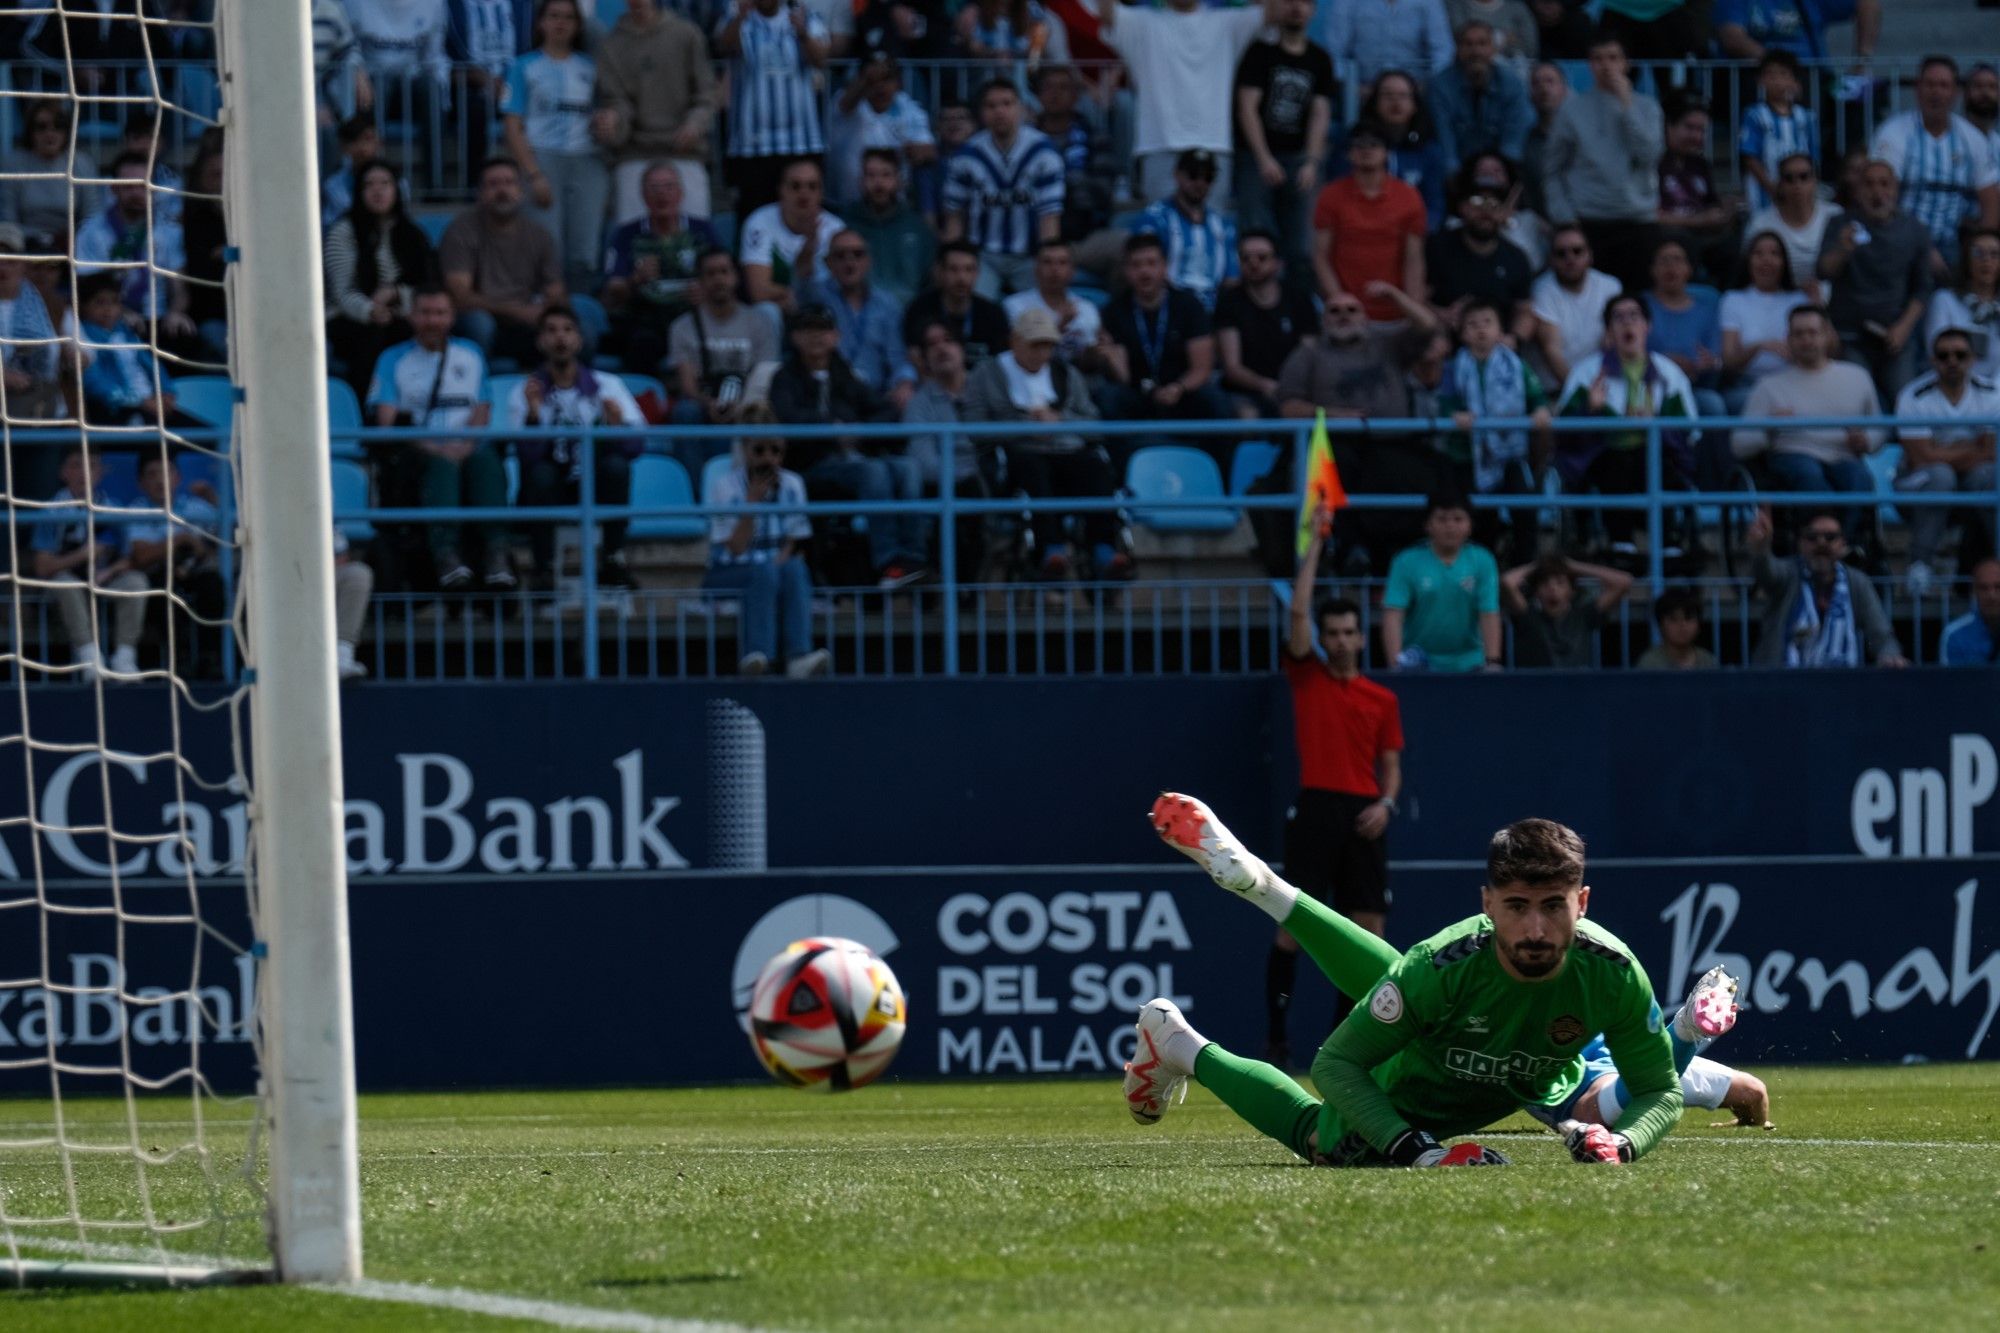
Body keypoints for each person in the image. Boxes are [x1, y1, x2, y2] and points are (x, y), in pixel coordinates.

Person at [1129, 795, 1686, 1169]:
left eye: (1553, 907)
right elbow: (1334, 1065)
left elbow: (1662, 1089)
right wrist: (1416, 1151)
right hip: (1403, 1088)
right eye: (1516, 906)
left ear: (1582, 903)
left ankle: (1269, 889)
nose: (1536, 928)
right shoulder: (1444, 962)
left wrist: (1622, 1142)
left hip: (1483, 1060)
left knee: (1406, 985)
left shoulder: (1614, 974)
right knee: (1322, 1143)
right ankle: (1180, 1043)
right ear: (1488, 904)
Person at [1271, 516, 1404, 1063]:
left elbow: (1391, 763)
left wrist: (1386, 804)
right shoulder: (1309, 677)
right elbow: (1298, 612)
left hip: (1364, 813)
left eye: (1351, 631)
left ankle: (1340, 1046)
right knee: (1294, 927)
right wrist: (1316, 549)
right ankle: (1276, 1037)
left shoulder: (1381, 698)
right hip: (1318, 806)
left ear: (1361, 635)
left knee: (1365, 930)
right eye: (1335, 634)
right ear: (1323, 640)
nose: (1344, 640)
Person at [768, 303, 928, 588]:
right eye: (809, 329)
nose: (817, 336)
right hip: (812, 465)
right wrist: (830, 428)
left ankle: (912, 559)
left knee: (908, 468)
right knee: (874, 473)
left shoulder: (845, 374)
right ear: (795, 337)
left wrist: (859, 431)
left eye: (824, 329)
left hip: (856, 458)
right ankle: (888, 563)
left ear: (835, 336)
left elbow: (885, 411)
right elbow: (787, 417)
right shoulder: (784, 377)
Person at [962, 306, 1126, 581]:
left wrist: (1060, 420)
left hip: (1067, 451)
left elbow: (1094, 424)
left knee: (1096, 467)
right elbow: (974, 426)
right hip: (1019, 455)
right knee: (1032, 468)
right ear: (1014, 341)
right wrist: (1025, 427)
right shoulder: (987, 374)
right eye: (1034, 345)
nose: (1042, 353)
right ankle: (1051, 548)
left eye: (1047, 345)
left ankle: (1104, 549)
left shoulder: (1066, 374)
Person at [366, 285, 510, 591]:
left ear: (452, 317)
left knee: (486, 460)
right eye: (426, 313)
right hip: (417, 450)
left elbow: (482, 408)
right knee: (441, 467)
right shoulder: (393, 359)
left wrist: (465, 445)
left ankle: (497, 554)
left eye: (441, 313)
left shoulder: (471, 354)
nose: (433, 321)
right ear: (412, 316)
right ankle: (446, 556)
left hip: (466, 445)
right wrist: (434, 447)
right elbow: (387, 422)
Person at [1555, 294, 1701, 562]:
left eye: (1634, 316)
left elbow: (1690, 431)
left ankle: (1669, 544)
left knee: (1658, 464)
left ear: (1648, 326)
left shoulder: (1669, 374)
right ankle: (1621, 544)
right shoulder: (1586, 373)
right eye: (1618, 318)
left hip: (1655, 455)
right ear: (1609, 330)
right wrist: (1591, 409)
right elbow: (1564, 430)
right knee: (1616, 464)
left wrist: (1656, 425)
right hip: (1605, 457)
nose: (1627, 324)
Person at [506, 305, 644, 587]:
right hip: (551, 487)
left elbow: (635, 449)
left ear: (579, 340)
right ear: (540, 341)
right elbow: (527, 460)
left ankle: (613, 559)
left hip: (595, 485)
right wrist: (533, 416)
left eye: (567, 330)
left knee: (616, 466)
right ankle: (543, 567)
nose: (560, 338)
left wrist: (615, 426)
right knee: (541, 474)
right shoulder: (524, 391)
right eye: (551, 330)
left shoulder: (609, 386)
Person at [1733, 305, 1884, 550]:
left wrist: (1866, 441)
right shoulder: (1768, 386)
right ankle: (1824, 546)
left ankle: (1845, 546)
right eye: (1799, 334)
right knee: (1809, 477)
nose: (1806, 340)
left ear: (1827, 336)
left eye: (1813, 333)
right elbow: (1740, 444)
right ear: (1789, 339)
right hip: (1793, 457)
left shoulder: (1857, 377)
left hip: (1844, 456)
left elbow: (1879, 428)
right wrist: (1769, 428)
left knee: (1858, 478)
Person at [1097, 0, 1275, 206]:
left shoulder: (1228, 23)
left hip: (1213, 147)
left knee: (1211, 233)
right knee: (1162, 233)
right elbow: (1108, 15)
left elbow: (1271, 12)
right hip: (1159, 148)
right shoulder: (1142, 23)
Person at [701, 403, 832, 678]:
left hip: (773, 567)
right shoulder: (725, 486)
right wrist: (751, 505)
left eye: (776, 451)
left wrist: (776, 565)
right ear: (746, 449)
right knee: (764, 572)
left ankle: (798, 657)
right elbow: (734, 548)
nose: (768, 459)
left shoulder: (793, 484)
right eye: (759, 450)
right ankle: (757, 655)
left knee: (795, 568)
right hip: (728, 572)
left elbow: (792, 543)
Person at [500, 0, 610, 293]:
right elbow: (512, 125)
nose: (561, 23)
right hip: (543, 159)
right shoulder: (523, 66)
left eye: (568, 18)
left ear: (577, 25)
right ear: (541, 23)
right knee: (547, 247)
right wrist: (533, 174)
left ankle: (581, 313)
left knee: (584, 250)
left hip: (587, 161)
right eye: (554, 16)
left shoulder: (591, 68)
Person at [1541, 32, 1662, 293]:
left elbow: (1650, 155)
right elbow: (1552, 170)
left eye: (1613, 58)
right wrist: (1564, 217)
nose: (1606, 66)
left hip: (1638, 220)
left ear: (1626, 63)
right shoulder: (1571, 110)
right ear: (1589, 64)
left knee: (1637, 299)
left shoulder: (1648, 107)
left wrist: (1627, 107)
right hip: (1589, 221)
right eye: (1598, 59)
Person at [1437, 297, 1552, 560]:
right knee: (1478, 516)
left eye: (1487, 322)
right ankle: (1484, 566)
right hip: (1467, 454)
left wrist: (1540, 410)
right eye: (1472, 324)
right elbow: (1446, 405)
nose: (1480, 329)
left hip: (1511, 453)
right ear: (1463, 333)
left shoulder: (1516, 365)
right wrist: (1457, 416)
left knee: (1525, 508)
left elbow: (1536, 397)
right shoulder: (1454, 368)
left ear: (1500, 330)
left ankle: (1525, 567)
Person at [1818, 159, 1935, 407]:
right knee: (1856, 404)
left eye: (1884, 184)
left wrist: (1903, 328)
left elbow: (1923, 288)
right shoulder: (1839, 224)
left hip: (1894, 340)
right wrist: (1843, 249)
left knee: (1907, 405)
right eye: (1869, 184)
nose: (1877, 192)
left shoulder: (1915, 230)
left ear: (1896, 189)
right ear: (1858, 190)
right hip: (1849, 338)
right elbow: (1823, 272)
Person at [1893, 328, 2000, 595]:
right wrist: (1969, 449)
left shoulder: (1992, 393)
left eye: (1960, 354)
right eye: (1943, 355)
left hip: (1972, 481)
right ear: (1933, 360)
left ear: (1972, 358)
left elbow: (1991, 452)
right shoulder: (1912, 396)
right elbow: (1920, 458)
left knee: (1989, 475)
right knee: (1941, 476)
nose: (1952, 360)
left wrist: (1940, 450)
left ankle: (1995, 569)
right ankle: (1920, 567)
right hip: (1917, 484)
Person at [1233, 0, 1336, 277]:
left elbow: (1320, 113)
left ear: (1313, 11)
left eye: (1304, 3)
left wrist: (1312, 162)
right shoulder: (1259, 53)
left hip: (1299, 157)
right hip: (1256, 158)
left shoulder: (1320, 58)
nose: (1296, 8)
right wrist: (1264, 158)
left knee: (1302, 243)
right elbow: (1247, 108)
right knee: (1256, 236)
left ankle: (1298, 303)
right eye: (1290, 1)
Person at [1093, 234, 1230, 440]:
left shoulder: (1188, 305)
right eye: (1136, 265)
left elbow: (1202, 367)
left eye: (1151, 263)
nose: (1144, 271)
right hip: (1137, 394)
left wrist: (1179, 388)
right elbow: (1122, 377)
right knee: (1108, 397)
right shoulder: (1114, 311)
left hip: (1182, 392)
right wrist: (1111, 360)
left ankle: (1220, 470)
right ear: (1126, 271)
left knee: (1215, 401)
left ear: (1165, 266)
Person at [592, 0, 718, 222]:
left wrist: (695, 124)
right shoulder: (612, 44)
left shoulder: (686, 34)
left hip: (685, 152)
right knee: (634, 240)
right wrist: (612, 121)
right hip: (635, 154)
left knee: (695, 240)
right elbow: (616, 101)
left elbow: (707, 94)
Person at [1870, 56, 2000, 272]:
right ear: (1917, 89)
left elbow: (1990, 201)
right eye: (1929, 84)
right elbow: (1881, 194)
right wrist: (1922, 246)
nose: (1936, 92)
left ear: (1955, 93)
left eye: (1944, 85)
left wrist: (1978, 246)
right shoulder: (1894, 132)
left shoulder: (1972, 139)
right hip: (1901, 237)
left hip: (1954, 243)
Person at [439, 156, 569, 368]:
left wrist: (549, 311)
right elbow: (460, 297)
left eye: (509, 183)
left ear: (521, 191)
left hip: (527, 321)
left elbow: (555, 290)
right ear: (480, 194)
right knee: (480, 324)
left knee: (574, 327)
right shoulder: (461, 231)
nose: (502, 190)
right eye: (493, 184)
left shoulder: (539, 235)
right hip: (481, 318)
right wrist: (518, 311)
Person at [941, 79, 1065, 299]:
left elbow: (1049, 217)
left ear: (1020, 109)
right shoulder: (966, 156)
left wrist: (1047, 264)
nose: (1000, 111)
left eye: (1007, 104)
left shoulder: (1043, 153)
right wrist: (952, 261)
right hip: (982, 255)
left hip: (1029, 255)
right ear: (981, 113)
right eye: (991, 105)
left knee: (1040, 313)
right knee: (972, 303)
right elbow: (955, 217)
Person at [325, 160, 441, 394]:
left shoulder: (414, 235)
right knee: (373, 336)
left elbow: (427, 287)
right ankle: (367, 412)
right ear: (359, 192)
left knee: (417, 331)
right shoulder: (343, 232)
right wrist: (371, 310)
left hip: (402, 314)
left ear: (397, 190)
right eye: (369, 185)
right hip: (349, 317)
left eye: (385, 184)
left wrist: (396, 293)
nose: (378, 191)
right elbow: (343, 293)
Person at [33, 445, 146, 683]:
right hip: (66, 584)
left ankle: (124, 657)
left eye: (91, 465)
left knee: (137, 581)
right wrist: (82, 555)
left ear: (100, 472)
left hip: (104, 578)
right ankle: (89, 657)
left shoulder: (113, 508)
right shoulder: (51, 511)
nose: (84, 472)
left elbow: (131, 558)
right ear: (63, 472)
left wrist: (108, 572)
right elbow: (42, 567)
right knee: (66, 584)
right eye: (76, 465)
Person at [1745, 505, 1906, 667]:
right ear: (1800, 543)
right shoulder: (1788, 574)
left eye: (1830, 537)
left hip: (1840, 685)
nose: (1821, 543)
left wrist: (1889, 655)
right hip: (1780, 683)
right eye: (1812, 537)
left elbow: (1881, 634)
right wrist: (1761, 551)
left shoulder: (1857, 582)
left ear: (1843, 543)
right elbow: (1767, 573)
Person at [667, 248, 780, 477]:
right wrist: (709, 404)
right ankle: (697, 499)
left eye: (724, 272)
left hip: (749, 402)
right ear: (700, 281)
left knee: (768, 411)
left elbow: (765, 376)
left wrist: (742, 406)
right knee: (684, 411)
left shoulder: (761, 323)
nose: (718, 279)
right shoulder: (682, 327)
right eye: (710, 274)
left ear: (736, 277)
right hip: (704, 404)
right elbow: (688, 387)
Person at [600, 161, 718, 377]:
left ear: (681, 193)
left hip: (693, 314)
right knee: (641, 341)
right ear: (643, 196)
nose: (662, 194)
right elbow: (611, 293)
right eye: (654, 188)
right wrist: (635, 279)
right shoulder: (626, 234)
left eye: (668, 187)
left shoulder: (702, 231)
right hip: (645, 318)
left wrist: (707, 291)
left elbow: (726, 275)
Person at [714, 0, 830, 219]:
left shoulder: (807, 18)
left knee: (804, 218)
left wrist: (803, 33)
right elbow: (724, 47)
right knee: (753, 216)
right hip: (752, 147)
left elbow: (821, 59)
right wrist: (740, 18)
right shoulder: (736, 19)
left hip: (801, 144)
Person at [74, 151, 193, 351]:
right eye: (128, 187)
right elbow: (88, 288)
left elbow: (180, 289)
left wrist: (176, 312)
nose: (137, 193)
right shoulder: (92, 232)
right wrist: (120, 312)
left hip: (159, 318)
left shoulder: (168, 232)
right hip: (111, 317)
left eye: (143, 186)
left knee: (184, 336)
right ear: (114, 189)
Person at [1312, 123, 1427, 324]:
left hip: (1395, 312)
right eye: (1359, 145)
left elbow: (1414, 258)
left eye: (1374, 144)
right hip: (1347, 315)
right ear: (1349, 153)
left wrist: (1412, 306)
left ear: (1387, 152)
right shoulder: (1331, 195)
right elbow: (1320, 255)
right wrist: (1341, 305)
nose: (1366, 150)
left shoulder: (1409, 197)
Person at [124, 454, 226, 678]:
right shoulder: (135, 511)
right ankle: (180, 661)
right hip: (158, 577)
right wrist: (180, 540)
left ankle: (211, 658)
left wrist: (214, 500)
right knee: (162, 588)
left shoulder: (195, 506)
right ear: (141, 483)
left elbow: (226, 538)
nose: (161, 480)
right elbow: (141, 556)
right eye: (152, 474)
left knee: (212, 583)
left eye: (166, 473)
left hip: (193, 571)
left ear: (178, 478)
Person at [1382, 490, 1501, 672]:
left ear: (1470, 525)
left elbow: (1489, 612)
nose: (1450, 526)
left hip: (1471, 663)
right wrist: (1395, 664)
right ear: (1428, 525)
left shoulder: (1483, 560)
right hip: (1418, 663)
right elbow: (1393, 615)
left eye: (1458, 519)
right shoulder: (1406, 561)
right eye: (1442, 519)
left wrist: (1492, 661)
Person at [1214, 229, 1319, 418]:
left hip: (1293, 390)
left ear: (1278, 263)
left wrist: (1289, 389)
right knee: (1247, 417)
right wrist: (1266, 386)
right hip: (1244, 392)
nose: (1253, 264)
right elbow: (1232, 367)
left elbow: (1309, 353)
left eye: (1262, 257)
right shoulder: (1229, 302)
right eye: (1246, 258)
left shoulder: (1299, 299)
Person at [1429, 155, 1537, 336]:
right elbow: (1417, 299)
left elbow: (1524, 312)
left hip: (1497, 349)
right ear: (1462, 207)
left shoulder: (1516, 258)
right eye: (1477, 201)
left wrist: (1513, 340)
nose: (1486, 210)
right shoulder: (1437, 247)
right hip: (1445, 343)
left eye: (1494, 203)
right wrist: (1442, 316)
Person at [0, 222, 65, 502]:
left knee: (38, 498)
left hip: (41, 415)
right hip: (2, 420)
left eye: (11, 260)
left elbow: (81, 347)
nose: (3, 267)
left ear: (23, 265)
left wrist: (76, 354)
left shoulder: (48, 302)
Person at [70, 273, 183, 429]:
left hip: (151, 402)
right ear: (82, 306)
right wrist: (140, 402)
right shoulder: (83, 337)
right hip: (118, 409)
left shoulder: (126, 333)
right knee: (158, 434)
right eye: (100, 303)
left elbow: (152, 365)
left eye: (114, 302)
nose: (108, 309)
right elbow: (96, 385)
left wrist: (166, 391)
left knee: (197, 430)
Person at [807, 229, 908, 402]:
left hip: (876, 398)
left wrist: (904, 383)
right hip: (829, 396)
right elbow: (799, 287)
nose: (850, 261)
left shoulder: (888, 304)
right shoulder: (815, 296)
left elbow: (899, 358)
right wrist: (804, 258)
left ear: (869, 261)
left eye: (858, 254)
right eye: (840, 255)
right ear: (828, 262)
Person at [1132, 150, 1238, 312]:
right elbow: (1145, 269)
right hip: (1169, 310)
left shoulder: (1223, 225)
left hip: (1214, 311)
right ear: (1177, 175)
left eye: (1208, 177)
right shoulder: (1155, 218)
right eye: (1193, 175)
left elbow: (1232, 279)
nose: (1200, 183)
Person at [827, 52, 937, 208]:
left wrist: (916, 151)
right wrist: (866, 79)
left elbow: (929, 150)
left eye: (886, 79)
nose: (880, 86)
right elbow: (846, 104)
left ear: (898, 83)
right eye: (873, 81)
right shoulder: (845, 103)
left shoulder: (910, 109)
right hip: (846, 205)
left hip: (893, 206)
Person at [1426, 19, 1532, 177]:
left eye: (1482, 44)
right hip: (1457, 170)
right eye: (1468, 44)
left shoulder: (1512, 84)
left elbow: (1514, 141)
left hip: (1501, 169)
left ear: (1493, 49)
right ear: (1457, 49)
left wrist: (1501, 172)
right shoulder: (1439, 86)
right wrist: (1455, 175)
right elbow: (1444, 138)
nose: (1475, 51)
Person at [740, 157, 844, 315]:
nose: (804, 193)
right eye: (796, 186)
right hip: (781, 308)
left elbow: (841, 288)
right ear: (781, 190)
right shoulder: (759, 222)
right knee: (767, 311)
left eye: (812, 186)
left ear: (821, 192)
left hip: (824, 310)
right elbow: (759, 291)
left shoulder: (836, 228)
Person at [1348, 70, 1450, 230]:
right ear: (1375, 102)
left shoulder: (1429, 151)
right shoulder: (1356, 146)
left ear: (1415, 104)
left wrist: (1414, 233)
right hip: (1365, 232)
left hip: (1414, 235)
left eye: (1403, 96)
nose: (1395, 102)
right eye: (1388, 95)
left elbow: (1435, 208)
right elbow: (1344, 196)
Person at [1720, 230, 1806, 409]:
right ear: (1748, 261)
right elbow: (1729, 361)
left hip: (1794, 381)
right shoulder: (1733, 300)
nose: (1766, 260)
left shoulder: (1799, 300)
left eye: (1774, 254)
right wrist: (1759, 347)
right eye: (1758, 254)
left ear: (1784, 262)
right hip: (1748, 384)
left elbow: (1827, 350)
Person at [1033, 63, 1119, 244]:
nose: (1055, 93)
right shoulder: (1026, 140)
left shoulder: (1096, 138)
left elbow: (1103, 190)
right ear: (1038, 95)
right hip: (1033, 233)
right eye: (1048, 87)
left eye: (1063, 87)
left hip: (1085, 233)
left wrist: (1061, 190)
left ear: (1076, 95)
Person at [840, 149, 936, 308]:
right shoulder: (846, 225)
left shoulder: (917, 228)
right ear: (860, 180)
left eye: (886, 175)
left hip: (908, 312)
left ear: (899, 180)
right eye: (871, 175)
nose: (879, 183)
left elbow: (929, 281)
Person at [0, 99, 101, 249]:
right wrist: (43, 239)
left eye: (58, 126)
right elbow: (8, 219)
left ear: (67, 132)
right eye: (41, 127)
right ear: (30, 131)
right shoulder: (13, 164)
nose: (50, 133)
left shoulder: (82, 163)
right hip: (24, 244)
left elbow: (91, 215)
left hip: (73, 244)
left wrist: (70, 239)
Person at [1500, 553, 1631, 668]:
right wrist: (1539, 565)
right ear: (1536, 592)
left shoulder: (1584, 616)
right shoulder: (1529, 617)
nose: (1552, 589)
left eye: (1560, 583)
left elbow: (1623, 581)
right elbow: (1507, 582)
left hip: (1576, 687)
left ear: (1572, 590)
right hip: (1539, 687)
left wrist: (1573, 565)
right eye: (1545, 584)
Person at [1531, 224, 1621, 387]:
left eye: (1577, 251)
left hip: (1602, 388)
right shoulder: (1541, 290)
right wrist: (1578, 394)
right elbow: (1552, 351)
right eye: (1561, 253)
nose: (1570, 258)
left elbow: (1614, 343)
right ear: (1551, 259)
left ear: (1590, 255)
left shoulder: (1611, 287)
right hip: (1557, 390)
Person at [901, 240, 1013, 369]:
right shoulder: (919, 311)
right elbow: (915, 359)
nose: (961, 278)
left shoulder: (993, 315)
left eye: (968, 269)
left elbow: (1001, 364)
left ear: (977, 273)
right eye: (953, 269)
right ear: (939, 272)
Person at [1644, 239, 1723, 418]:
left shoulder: (1708, 305)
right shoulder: (1640, 306)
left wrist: (1708, 364)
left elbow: (1716, 359)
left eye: (1677, 260)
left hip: (1695, 387)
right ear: (1653, 270)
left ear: (1689, 268)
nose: (1671, 267)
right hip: (1649, 388)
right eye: (1664, 260)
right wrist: (1664, 364)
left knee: (1713, 404)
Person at [1737, 50, 1820, 219]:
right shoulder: (1755, 115)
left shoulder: (1806, 117)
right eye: (1770, 75)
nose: (1777, 81)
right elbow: (1749, 157)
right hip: (1764, 192)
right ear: (1760, 80)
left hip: (1799, 190)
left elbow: (1813, 156)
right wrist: (1772, 187)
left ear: (1795, 82)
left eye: (1783, 74)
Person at [1656, 100, 1734, 276]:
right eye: (1690, 128)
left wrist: (1726, 210)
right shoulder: (1653, 163)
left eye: (1701, 130)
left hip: (1704, 239)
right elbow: (1649, 215)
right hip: (1667, 239)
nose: (1697, 137)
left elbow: (1712, 204)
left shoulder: (1700, 164)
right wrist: (1697, 220)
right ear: (1669, 126)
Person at [1744, 153, 1833, 301]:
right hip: (1776, 300)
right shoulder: (1760, 224)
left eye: (1804, 177)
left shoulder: (1834, 216)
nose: (1797, 185)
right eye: (1789, 178)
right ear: (1780, 184)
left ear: (1815, 181)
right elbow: (1749, 273)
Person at [1003, 237, 1103, 365]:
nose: (1055, 269)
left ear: (1072, 271)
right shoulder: (1015, 306)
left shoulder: (1087, 308)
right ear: (1036, 268)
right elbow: (1022, 355)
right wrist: (1061, 324)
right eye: (1047, 262)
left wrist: (1098, 352)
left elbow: (1089, 361)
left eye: (1062, 262)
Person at [1926, 227, 2000, 382]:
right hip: (1953, 387)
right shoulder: (1944, 300)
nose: (1986, 260)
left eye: (1994, 254)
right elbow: (1938, 353)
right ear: (1967, 259)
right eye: (1978, 253)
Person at [1324, 0, 1453, 89]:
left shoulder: (1429, 2)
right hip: (1363, 93)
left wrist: (1426, 87)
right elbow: (1334, 54)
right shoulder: (1348, 2)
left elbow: (1443, 52)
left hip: (1417, 93)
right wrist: (1353, 89)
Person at [1714, 0, 1880, 63]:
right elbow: (1732, 37)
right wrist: (1781, 66)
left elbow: (1868, 4)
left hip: (1814, 82)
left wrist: (1862, 61)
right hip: (1760, 83)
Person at [1520, 57, 1566, 217]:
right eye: (1536, 83)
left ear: (1563, 89)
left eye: (1550, 81)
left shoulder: (1582, 137)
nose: (1543, 88)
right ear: (1530, 94)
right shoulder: (1525, 142)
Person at [1635, 586, 1717, 668]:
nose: (1682, 625)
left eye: (1688, 618)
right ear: (1661, 625)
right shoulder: (1648, 664)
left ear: (1699, 624)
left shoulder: (1708, 662)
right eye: (1673, 619)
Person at [1941, 556, 2000, 665]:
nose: (1991, 595)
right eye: (1984, 588)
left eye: (1998, 587)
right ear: (1974, 591)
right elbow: (1950, 681)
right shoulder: (1954, 635)